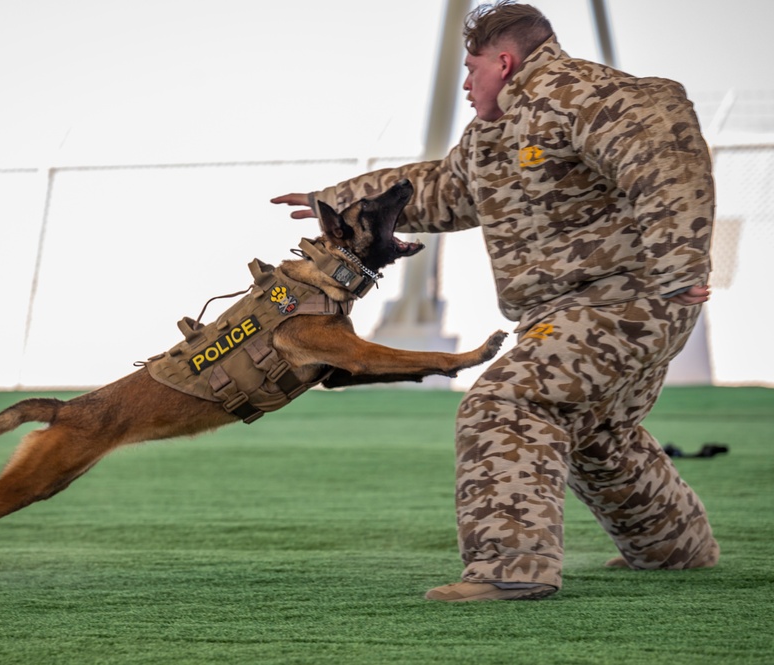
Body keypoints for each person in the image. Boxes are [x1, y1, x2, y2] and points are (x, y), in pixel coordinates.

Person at [272, 0, 719, 602]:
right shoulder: (496, 134)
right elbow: (441, 189)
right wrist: (340, 200)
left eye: (472, 67)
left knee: (507, 404)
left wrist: (680, 260)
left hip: (625, 300)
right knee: (599, 430)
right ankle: (674, 547)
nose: (464, 82)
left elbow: (665, 153)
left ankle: (510, 570)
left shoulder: (585, 95)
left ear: (504, 62)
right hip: (578, 310)